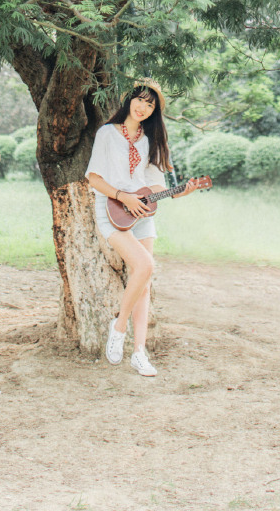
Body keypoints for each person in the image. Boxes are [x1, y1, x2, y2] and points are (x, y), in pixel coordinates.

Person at [85, 78, 197, 376]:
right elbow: (93, 178)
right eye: (140, 100)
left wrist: (176, 191)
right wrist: (124, 197)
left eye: (151, 105)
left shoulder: (150, 140)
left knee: (144, 282)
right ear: (129, 99)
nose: (143, 107)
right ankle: (118, 327)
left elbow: (154, 185)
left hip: (142, 214)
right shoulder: (107, 134)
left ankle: (138, 352)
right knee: (145, 265)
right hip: (112, 209)